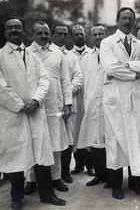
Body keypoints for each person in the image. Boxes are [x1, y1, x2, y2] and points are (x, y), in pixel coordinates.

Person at [0, 17, 65, 209]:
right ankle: (17, 198)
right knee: (16, 156)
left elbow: (45, 80)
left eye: (17, 27)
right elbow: (1, 87)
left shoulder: (32, 55)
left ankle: (47, 195)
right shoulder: (0, 56)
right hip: (13, 114)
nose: (14, 30)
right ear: (5, 33)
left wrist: (36, 100)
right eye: (10, 28)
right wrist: (20, 105)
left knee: (41, 153)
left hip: (35, 111)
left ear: (24, 31)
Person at [100, 7, 140, 199]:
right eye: (124, 18)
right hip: (116, 98)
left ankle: (136, 182)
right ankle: (117, 185)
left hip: (136, 99)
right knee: (116, 141)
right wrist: (135, 73)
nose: (127, 21)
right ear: (117, 20)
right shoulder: (107, 42)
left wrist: (127, 66)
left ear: (134, 22)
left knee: (138, 139)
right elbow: (110, 67)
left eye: (130, 19)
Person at [26, 21, 72, 193]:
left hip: (55, 104)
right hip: (34, 105)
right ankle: (31, 179)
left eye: (46, 33)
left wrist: (68, 104)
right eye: (40, 33)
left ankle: (56, 178)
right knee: (34, 142)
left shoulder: (57, 54)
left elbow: (65, 81)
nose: (44, 36)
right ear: (32, 34)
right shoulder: (26, 53)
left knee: (56, 143)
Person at [77, 23, 109, 187]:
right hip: (92, 103)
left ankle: (111, 176)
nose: (97, 37)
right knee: (94, 141)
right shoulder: (87, 57)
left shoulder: (112, 55)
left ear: (106, 34)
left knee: (109, 141)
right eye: (94, 34)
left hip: (109, 104)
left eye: (100, 34)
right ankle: (100, 174)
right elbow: (84, 82)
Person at [50, 24, 83, 184]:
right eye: (58, 34)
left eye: (64, 34)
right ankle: (40, 178)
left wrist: (67, 92)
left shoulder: (71, 56)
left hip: (68, 104)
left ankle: (64, 172)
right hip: (50, 105)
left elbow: (78, 77)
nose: (62, 37)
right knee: (50, 138)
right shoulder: (45, 53)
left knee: (67, 139)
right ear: (52, 34)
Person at [70, 24, 94, 176]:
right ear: (72, 37)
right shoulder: (68, 55)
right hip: (74, 96)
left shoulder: (92, 54)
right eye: (76, 34)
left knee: (89, 129)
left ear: (85, 36)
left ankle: (90, 165)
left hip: (89, 95)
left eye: (82, 34)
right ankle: (78, 164)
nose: (79, 37)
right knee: (76, 130)